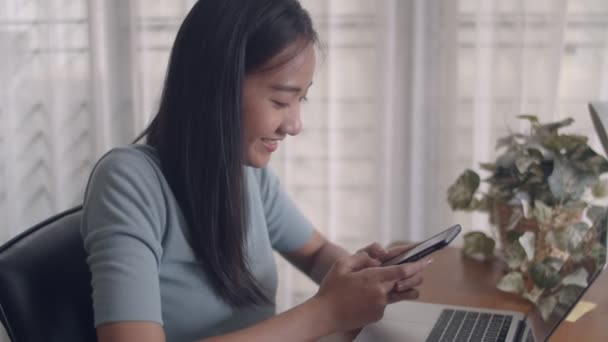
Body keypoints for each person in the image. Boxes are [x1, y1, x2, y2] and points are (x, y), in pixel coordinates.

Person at [80, 0, 432, 341]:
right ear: (216, 86)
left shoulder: (247, 175)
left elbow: (315, 252)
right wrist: (326, 312)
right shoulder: (128, 182)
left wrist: (366, 278)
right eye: (281, 100)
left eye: (300, 99)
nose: (294, 124)